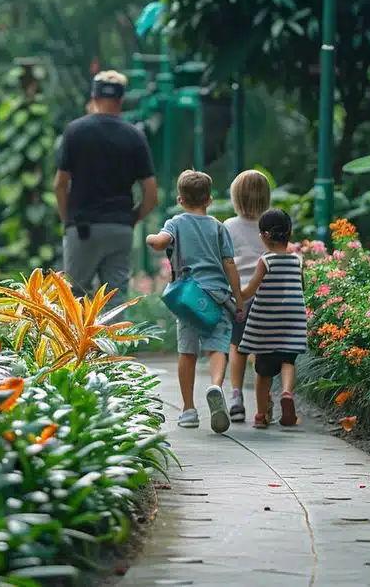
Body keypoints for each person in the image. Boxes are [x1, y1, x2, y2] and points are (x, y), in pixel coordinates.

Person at [147, 170, 243, 433]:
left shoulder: (175, 223)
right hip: (217, 297)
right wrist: (239, 297)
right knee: (217, 348)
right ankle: (215, 385)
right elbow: (230, 265)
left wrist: (150, 238)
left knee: (187, 352)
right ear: (209, 200)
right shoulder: (218, 227)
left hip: (188, 299)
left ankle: (188, 409)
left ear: (180, 200)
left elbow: (160, 243)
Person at [55, 70, 159, 305]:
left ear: (93, 96)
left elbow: (60, 184)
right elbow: (151, 194)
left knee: (76, 301)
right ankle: (114, 342)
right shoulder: (135, 136)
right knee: (115, 301)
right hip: (119, 228)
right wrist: (130, 218)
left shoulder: (75, 131)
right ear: (121, 100)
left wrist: (67, 220)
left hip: (82, 228)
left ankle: (80, 344)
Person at [239, 209, 308, 429]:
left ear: (264, 236)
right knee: (288, 360)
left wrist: (235, 292)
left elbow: (250, 290)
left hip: (266, 324)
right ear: (290, 233)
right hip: (292, 320)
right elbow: (302, 287)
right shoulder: (297, 261)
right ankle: (287, 392)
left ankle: (260, 414)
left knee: (264, 370)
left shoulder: (265, 261)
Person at [223, 170, 271, 423]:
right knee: (264, 349)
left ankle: (236, 397)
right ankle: (264, 405)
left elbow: (223, 261)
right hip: (268, 297)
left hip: (240, 297)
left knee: (237, 348)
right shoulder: (272, 225)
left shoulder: (228, 227)